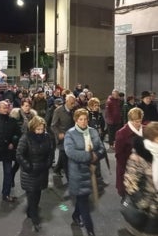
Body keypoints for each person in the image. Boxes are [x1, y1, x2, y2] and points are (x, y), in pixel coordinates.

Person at [64, 108, 105, 236]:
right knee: (83, 201)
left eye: (85, 119)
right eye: (80, 119)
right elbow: (71, 152)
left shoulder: (92, 132)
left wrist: (97, 155)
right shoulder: (70, 134)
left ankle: (76, 215)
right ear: (76, 120)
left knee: (84, 198)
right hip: (78, 173)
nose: (83, 122)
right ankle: (90, 230)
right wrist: (89, 157)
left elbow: (101, 148)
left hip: (92, 172)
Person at [16, 115, 54, 232]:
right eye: (38, 129)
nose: (40, 132)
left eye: (42, 129)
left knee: (37, 194)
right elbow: (19, 154)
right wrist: (28, 167)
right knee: (32, 195)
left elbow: (50, 152)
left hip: (42, 170)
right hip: (30, 173)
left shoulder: (47, 137)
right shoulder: (26, 138)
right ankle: (35, 218)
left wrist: (47, 164)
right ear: (32, 128)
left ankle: (31, 210)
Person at [122, 121, 158, 236]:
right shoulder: (138, 157)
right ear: (151, 138)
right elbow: (130, 182)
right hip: (146, 211)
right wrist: (143, 203)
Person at [115, 107, 144, 200]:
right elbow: (119, 155)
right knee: (127, 197)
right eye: (135, 121)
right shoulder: (122, 133)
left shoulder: (145, 129)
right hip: (127, 168)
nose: (138, 124)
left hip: (142, 167)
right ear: (130, 120)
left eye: (140, 121)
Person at [10, 98, 37, 187]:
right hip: (18, 142)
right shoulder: (16, 115)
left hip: (30, 142)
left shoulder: (33, 116)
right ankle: (11, 177)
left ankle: (29, 182)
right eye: (26, 106)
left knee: (28, 163)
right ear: (21, 106)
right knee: (18, 163)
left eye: (29, 106)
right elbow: (12, 129)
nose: (27, 108)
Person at [51, 93, 76, 178]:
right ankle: (69, 177)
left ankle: (57, 169)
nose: (73, 105)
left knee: (63, 156)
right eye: (71, 103)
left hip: (71, 137)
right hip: (62, 138)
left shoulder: (74, 110)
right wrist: (59, 134)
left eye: (74, 103)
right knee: (65, 156)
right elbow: (53, 125)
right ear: (66, 101)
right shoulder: (58, 111)